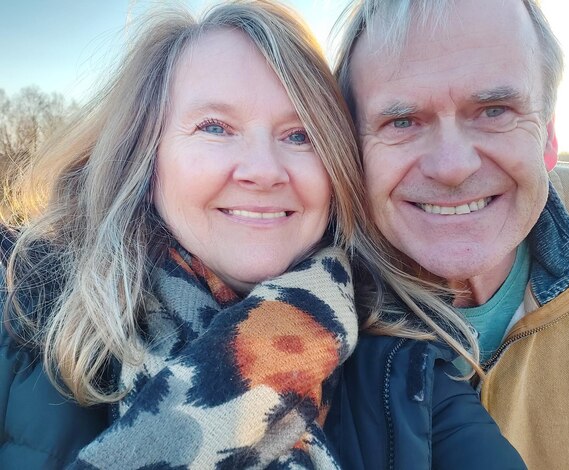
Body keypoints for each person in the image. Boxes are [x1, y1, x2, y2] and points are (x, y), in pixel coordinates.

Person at [1, 1, 525, 469]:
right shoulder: (21, 317)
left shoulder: (407, 379)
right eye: (215, 127)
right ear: (146, 155)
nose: (264, 169)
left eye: (298, 135)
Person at [331, 0, 569, 468]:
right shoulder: (297, 315)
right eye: (401, 122)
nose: (452, 167)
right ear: (352, 149)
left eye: (494, 110)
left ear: (547, 137)